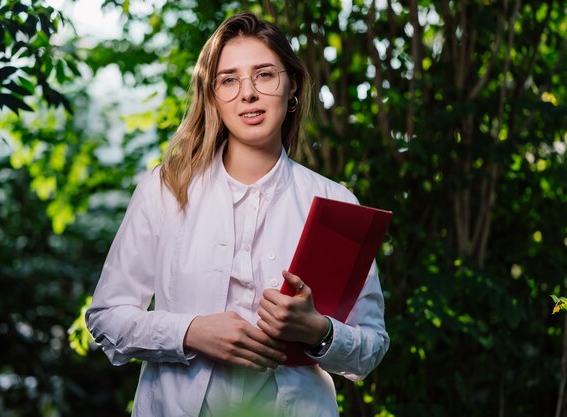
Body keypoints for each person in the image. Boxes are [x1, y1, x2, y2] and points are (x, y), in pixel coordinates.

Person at [86, 11, 389, 417]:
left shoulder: (335, 204)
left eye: (264, 75)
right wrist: (191, 332)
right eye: (229, 80)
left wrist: (319, 331)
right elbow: (107, 319)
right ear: (212, 95)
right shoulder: (164, 189)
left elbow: (371, 347)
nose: (247, 93)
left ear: (292, 85)